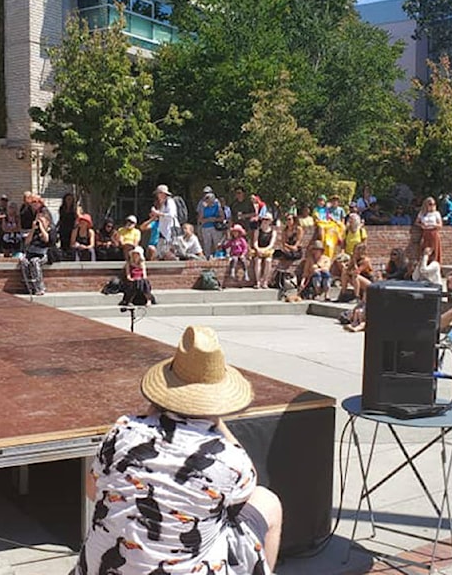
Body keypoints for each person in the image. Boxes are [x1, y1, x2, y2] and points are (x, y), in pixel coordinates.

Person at [74, 326, 281, 575]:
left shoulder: (122, 429)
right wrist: (216, 420)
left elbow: (91, 490)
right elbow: (243, 494)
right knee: (268, 502)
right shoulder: (230, 459)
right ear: (219, 398)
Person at [20, 197, 51, 295]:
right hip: (31, 253)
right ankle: (30, 287)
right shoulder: (34, 231)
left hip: (44, 254)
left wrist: (42, 227)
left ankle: (40, 288)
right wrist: (33, 229)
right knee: (24, 262)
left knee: (35, 261)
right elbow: (26, 242)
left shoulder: (49, 230)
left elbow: (47, 239)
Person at [150, 184, 178, 253]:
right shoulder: (162, 203)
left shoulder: (169, 202)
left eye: (158, 193)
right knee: (161, 251)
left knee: (171, 251)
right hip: (163, 231)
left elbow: (171, 215)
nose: (157, 195)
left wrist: (157, 213)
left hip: (171, 230)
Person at [416, 196, 443, 264]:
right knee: (424, 249)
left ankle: (435, 263)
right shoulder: (422, 213)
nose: (432, 206)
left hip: (433, 232)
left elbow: (440, 225)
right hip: (425, 232)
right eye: (430, 204)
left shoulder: (436, 213)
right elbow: (416, 222)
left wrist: (433, 225)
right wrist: (422, 225)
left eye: (434, 204)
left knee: (434, 249)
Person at [197, 192, 224, 258]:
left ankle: (218, 257)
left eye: (208, 199)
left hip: (215, 227)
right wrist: (207, 220)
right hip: (205, 227)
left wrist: (214, 219)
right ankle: (207, 257)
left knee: (217, 244)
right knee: (207, 245)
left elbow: (222, 218)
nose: (206, 200)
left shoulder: (217, 206)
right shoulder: (204, 208)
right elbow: (200, 219)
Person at [252, 215, 276, 288]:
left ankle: (265, 281)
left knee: (268, 261)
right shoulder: (258, 230)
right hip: (258, 249)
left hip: (267, 250)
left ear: (270, 221)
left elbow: (271, 244)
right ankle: (258, 282)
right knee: (258, 261)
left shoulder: (273, 232)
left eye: (267, 219)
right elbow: (255, 242)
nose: (265, 221)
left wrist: (265, 250)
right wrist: (258, 249)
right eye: (264, 219)